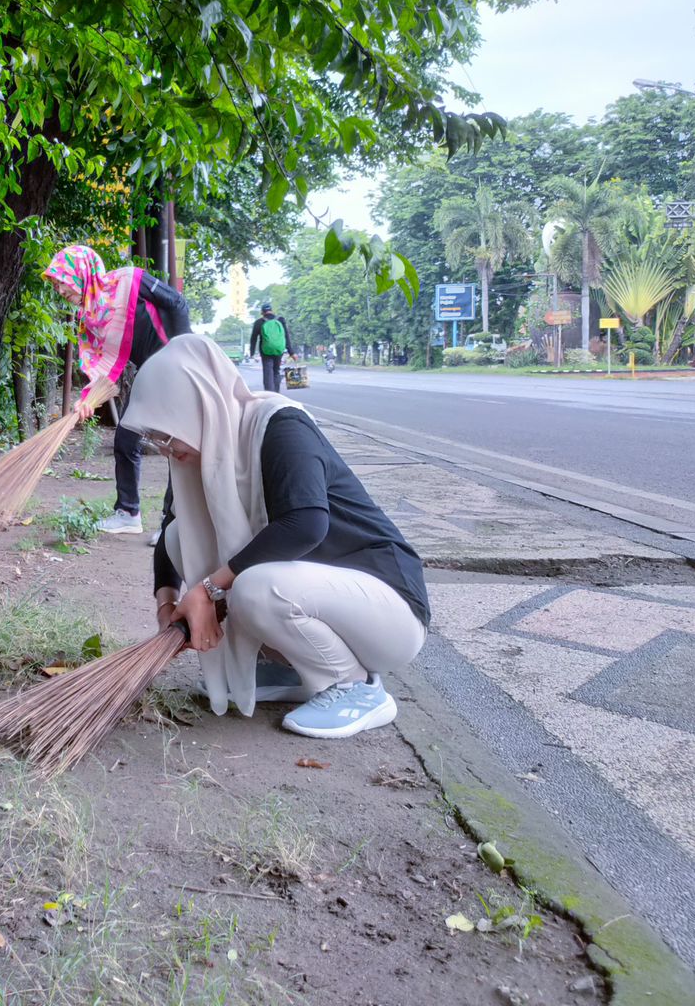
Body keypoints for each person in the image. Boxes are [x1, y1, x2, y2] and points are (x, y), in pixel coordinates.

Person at [123, 334, 429, 739]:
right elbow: (170, 532)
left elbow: (305, 523)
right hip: (319, 598)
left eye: (165, 434)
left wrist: (207, 589)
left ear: (195, 405)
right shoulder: (201, 454)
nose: (163, 447)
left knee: (252, 587)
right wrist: (167, 602)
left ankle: (354, 685)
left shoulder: (281, 425)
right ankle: (299, 671)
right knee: (186, 536)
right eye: (153, 437)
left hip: (387, 611)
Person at [42, 244, 190, 536]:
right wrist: (86, 400)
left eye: (63, 282)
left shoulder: (129, 280)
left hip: (177, 368)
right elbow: (102, 366)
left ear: (81, 272)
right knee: (125, 439)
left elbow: (177, 304)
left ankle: (171, 524)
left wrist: (184, 353)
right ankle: (128, 513)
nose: (60, 291)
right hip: (149, 375)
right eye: (57, 285)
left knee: (176, 447)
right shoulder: (92, 319)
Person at [249, 303, 296, 393]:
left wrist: (252, 353)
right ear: (271, 310)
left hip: (265, 351)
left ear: (262, 312)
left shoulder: (259, 322)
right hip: (279, 350)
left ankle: (269, 394)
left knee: (268, 372)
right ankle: (276, 393)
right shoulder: (281, 320)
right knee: (276, 371)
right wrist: (291, 352)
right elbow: (286, 336)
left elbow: (253, 339)